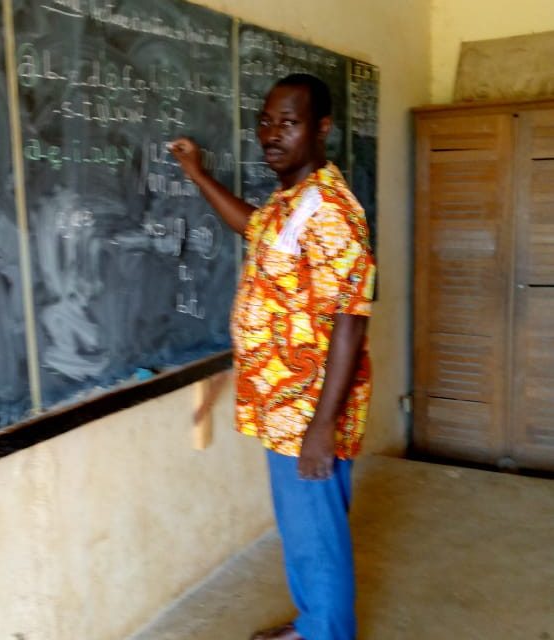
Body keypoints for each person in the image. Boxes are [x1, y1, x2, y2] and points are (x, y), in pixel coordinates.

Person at [170, 73, 376, 640]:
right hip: (284, 409)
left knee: (317, 533)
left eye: (289, 122)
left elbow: (350, 322)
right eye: (266, 121)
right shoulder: (293, 204)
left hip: (310, 413)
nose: (271, 134)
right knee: (304, 527)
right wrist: (197, 174)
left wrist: (323, 426)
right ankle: (313, 623)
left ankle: (327, 633)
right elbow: (251, 226)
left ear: (321, 129)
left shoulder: (332, 210)